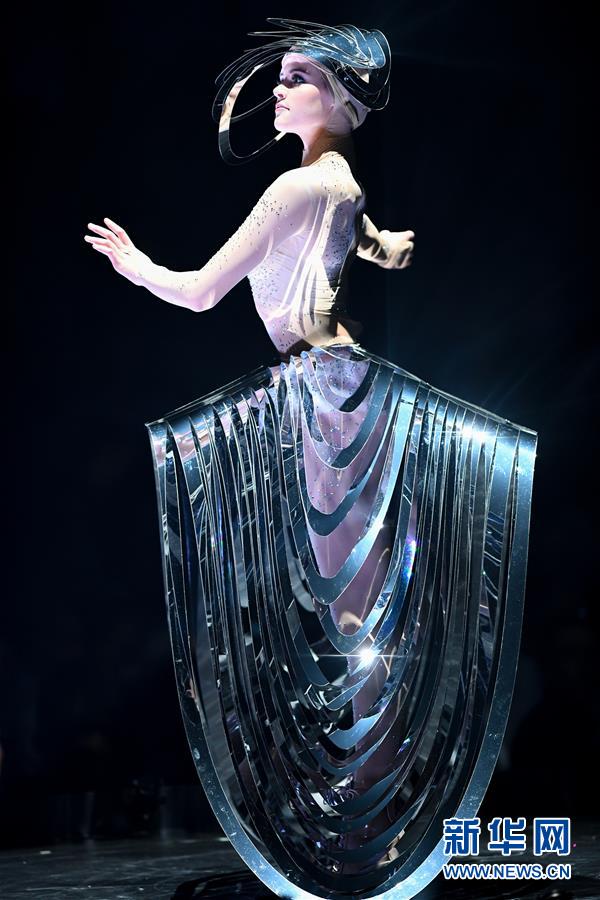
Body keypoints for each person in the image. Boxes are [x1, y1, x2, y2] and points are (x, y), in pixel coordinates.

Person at [84, 20, 536, 897]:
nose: (279, 91)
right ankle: (378, 783)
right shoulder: (339, 182)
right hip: (332, 381)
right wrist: (389, 246)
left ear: (338, 98)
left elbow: (202, 291)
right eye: (282, 76)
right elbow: (362, 235)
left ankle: (374, 789)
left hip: (322, 388)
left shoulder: (296, 185)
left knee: (352, 599)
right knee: (355, 594)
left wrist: (137, 267)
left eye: (296, 78)